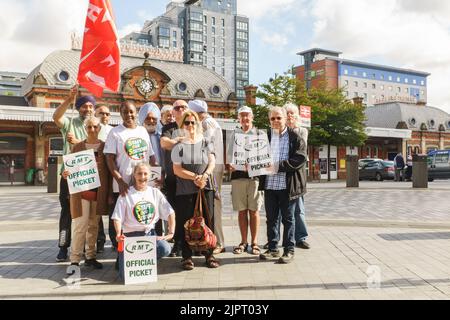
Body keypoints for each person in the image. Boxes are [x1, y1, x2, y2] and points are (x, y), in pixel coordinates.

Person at [104, 101, 155, 264]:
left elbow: (151, 156)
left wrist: (155, 175)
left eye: (131, 112)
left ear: (136, 112)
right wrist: (119, 180)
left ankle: (141, 254)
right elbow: (109, 159)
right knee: (122, 221)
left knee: (141, 216)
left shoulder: (142, 131)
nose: (129, 115)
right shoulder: (115, 132)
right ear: (120, 114)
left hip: (142, 183)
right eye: (125, 112)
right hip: (123, 185)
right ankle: (121, 257)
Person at [259, 106, 307, 264]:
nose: (276, 121)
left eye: (279, 118)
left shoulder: (295, 137)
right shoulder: (265, 137)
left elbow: (299, 159)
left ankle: (288, 250)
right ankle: (273, 248)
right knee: (271, 218)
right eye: (272, 118)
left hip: (288, 185)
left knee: (288, 219)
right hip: (270, 185)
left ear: (286, 118)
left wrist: (278, 166)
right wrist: (252, 165)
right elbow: (257, 157)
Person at [62, 116, 111, 271]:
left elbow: (109, 173)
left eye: (95, 127)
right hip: (81, 193)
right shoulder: (77, 147)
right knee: (80, 226)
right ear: (85, 128)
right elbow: (69, 169)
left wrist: (109, 193)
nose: (92, 130)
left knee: (94, 226)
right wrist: (66, 174)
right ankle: (75, 259)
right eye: (89, 127)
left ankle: (90, 256)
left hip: (98, 193)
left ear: (100, 128)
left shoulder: (105, 147)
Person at [52, 85, 95, 262]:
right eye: (84, 106)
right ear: (78, 108)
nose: (88, 109)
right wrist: (69, 100)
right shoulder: (70, 123)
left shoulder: (96, 127)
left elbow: (99, 149)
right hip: (69, 176)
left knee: (89, 215)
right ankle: (63, 246)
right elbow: (56, 117)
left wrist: (78, 142)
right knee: (67, 213)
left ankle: (89, 249)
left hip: (88, 177)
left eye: (91, 107)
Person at [172, 110, 219, 270]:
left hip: (206, 187)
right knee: (186, 223)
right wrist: (195, 177)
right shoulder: (178, 145)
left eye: (193, 122)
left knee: (208, 220)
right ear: (182, 125)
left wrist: (204, 176)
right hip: (185, 190)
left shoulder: (206, 141)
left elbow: (212, 162)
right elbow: (177, 170)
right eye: (187, 122)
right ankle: (186, 257)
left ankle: (209, 254)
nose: (190, 125)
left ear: (198, 124)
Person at [112, 162, 175, 279]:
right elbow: (117, 217)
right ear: (134, 175)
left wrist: (171, 233)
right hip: (130, 237)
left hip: (149, 234)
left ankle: (145, 260)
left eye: (145, 174)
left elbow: (170, 212)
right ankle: (126, 259)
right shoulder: (126, 193)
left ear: (150, 175)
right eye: (139, 174)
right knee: (124, 277)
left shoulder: (155, 192)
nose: (142, 177)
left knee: (165, 248)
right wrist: (118, 234)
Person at [188, 99, 225, 255]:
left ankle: (217, 242)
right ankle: (209, 239)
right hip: (213, 167)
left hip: (212, 169)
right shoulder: (211, 122)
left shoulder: (207, 124)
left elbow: (206, 145)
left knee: (213, 206)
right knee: (211, 205)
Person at [227, 106, 263, 256]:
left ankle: (254, 242)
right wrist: (234, 165)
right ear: (238, 119)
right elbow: (229, 160)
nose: (245, 119)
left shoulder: (260, 134)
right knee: (242, 212)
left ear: (252, 117)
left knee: (254, 211)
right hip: (238, 178)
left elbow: (265, 158)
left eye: (247, 116)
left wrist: (253, 164)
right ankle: (243, 241)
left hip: (255, 178)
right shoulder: (233, 135)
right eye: (242, 116)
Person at [160, 100, 188, 257]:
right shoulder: (168, 128)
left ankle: (191, 242)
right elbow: (165, 143)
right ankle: (177, 243)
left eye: (183, 107)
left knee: (188, 212)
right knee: (174, 211)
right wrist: (179, 140)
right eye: (177, 108)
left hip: (189, 177)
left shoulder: (192, 125)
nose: (180, 110)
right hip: (172, 177)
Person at [284, 103, 310, 250]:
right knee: (283, 209)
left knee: (298, 208)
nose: (289, 116)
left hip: (297, 172)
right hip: (283, 171)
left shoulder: (302, 131)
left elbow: (300, 151)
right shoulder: (279, 132)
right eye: (287, 113)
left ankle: (300, 237)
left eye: (292, 113)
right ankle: (285, 238)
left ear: (296, 116)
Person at [95, 104, 113, 253]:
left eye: (107, 114)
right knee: (96, 209)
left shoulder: (113, 131)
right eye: (101, 113)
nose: (105, 116)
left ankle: (114, 239)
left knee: (112, 206)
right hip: (95, 174)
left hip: (110, 174)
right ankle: (99, 240)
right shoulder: (90, 129)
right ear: (95, 114)